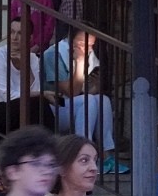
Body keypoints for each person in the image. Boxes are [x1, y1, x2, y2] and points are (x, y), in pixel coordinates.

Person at [41, 32, 121, 173]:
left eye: (91, 45)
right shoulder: (53, 55)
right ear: (70, 42)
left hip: (75, 105)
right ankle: (82, 152)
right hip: (52, 107)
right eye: (83, 44)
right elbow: (70, 92)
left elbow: (82, 96)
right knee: (88, 100)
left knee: (103, 100)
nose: (88, 49)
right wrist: (80, 63)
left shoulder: (87, 54)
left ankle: (106, 156)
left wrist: (96, 86)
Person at [0, 18, 54, 141]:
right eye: (12, 32)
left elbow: (35, 91)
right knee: (37, 104)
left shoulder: (33, 59)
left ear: (30, 38)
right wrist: (42, 94)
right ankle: (52, 144)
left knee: (38, 105)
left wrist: (25, 67)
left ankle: (46, 144)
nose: (14, 38)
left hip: (19, 109)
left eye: (20, 33)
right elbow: (7, 95)